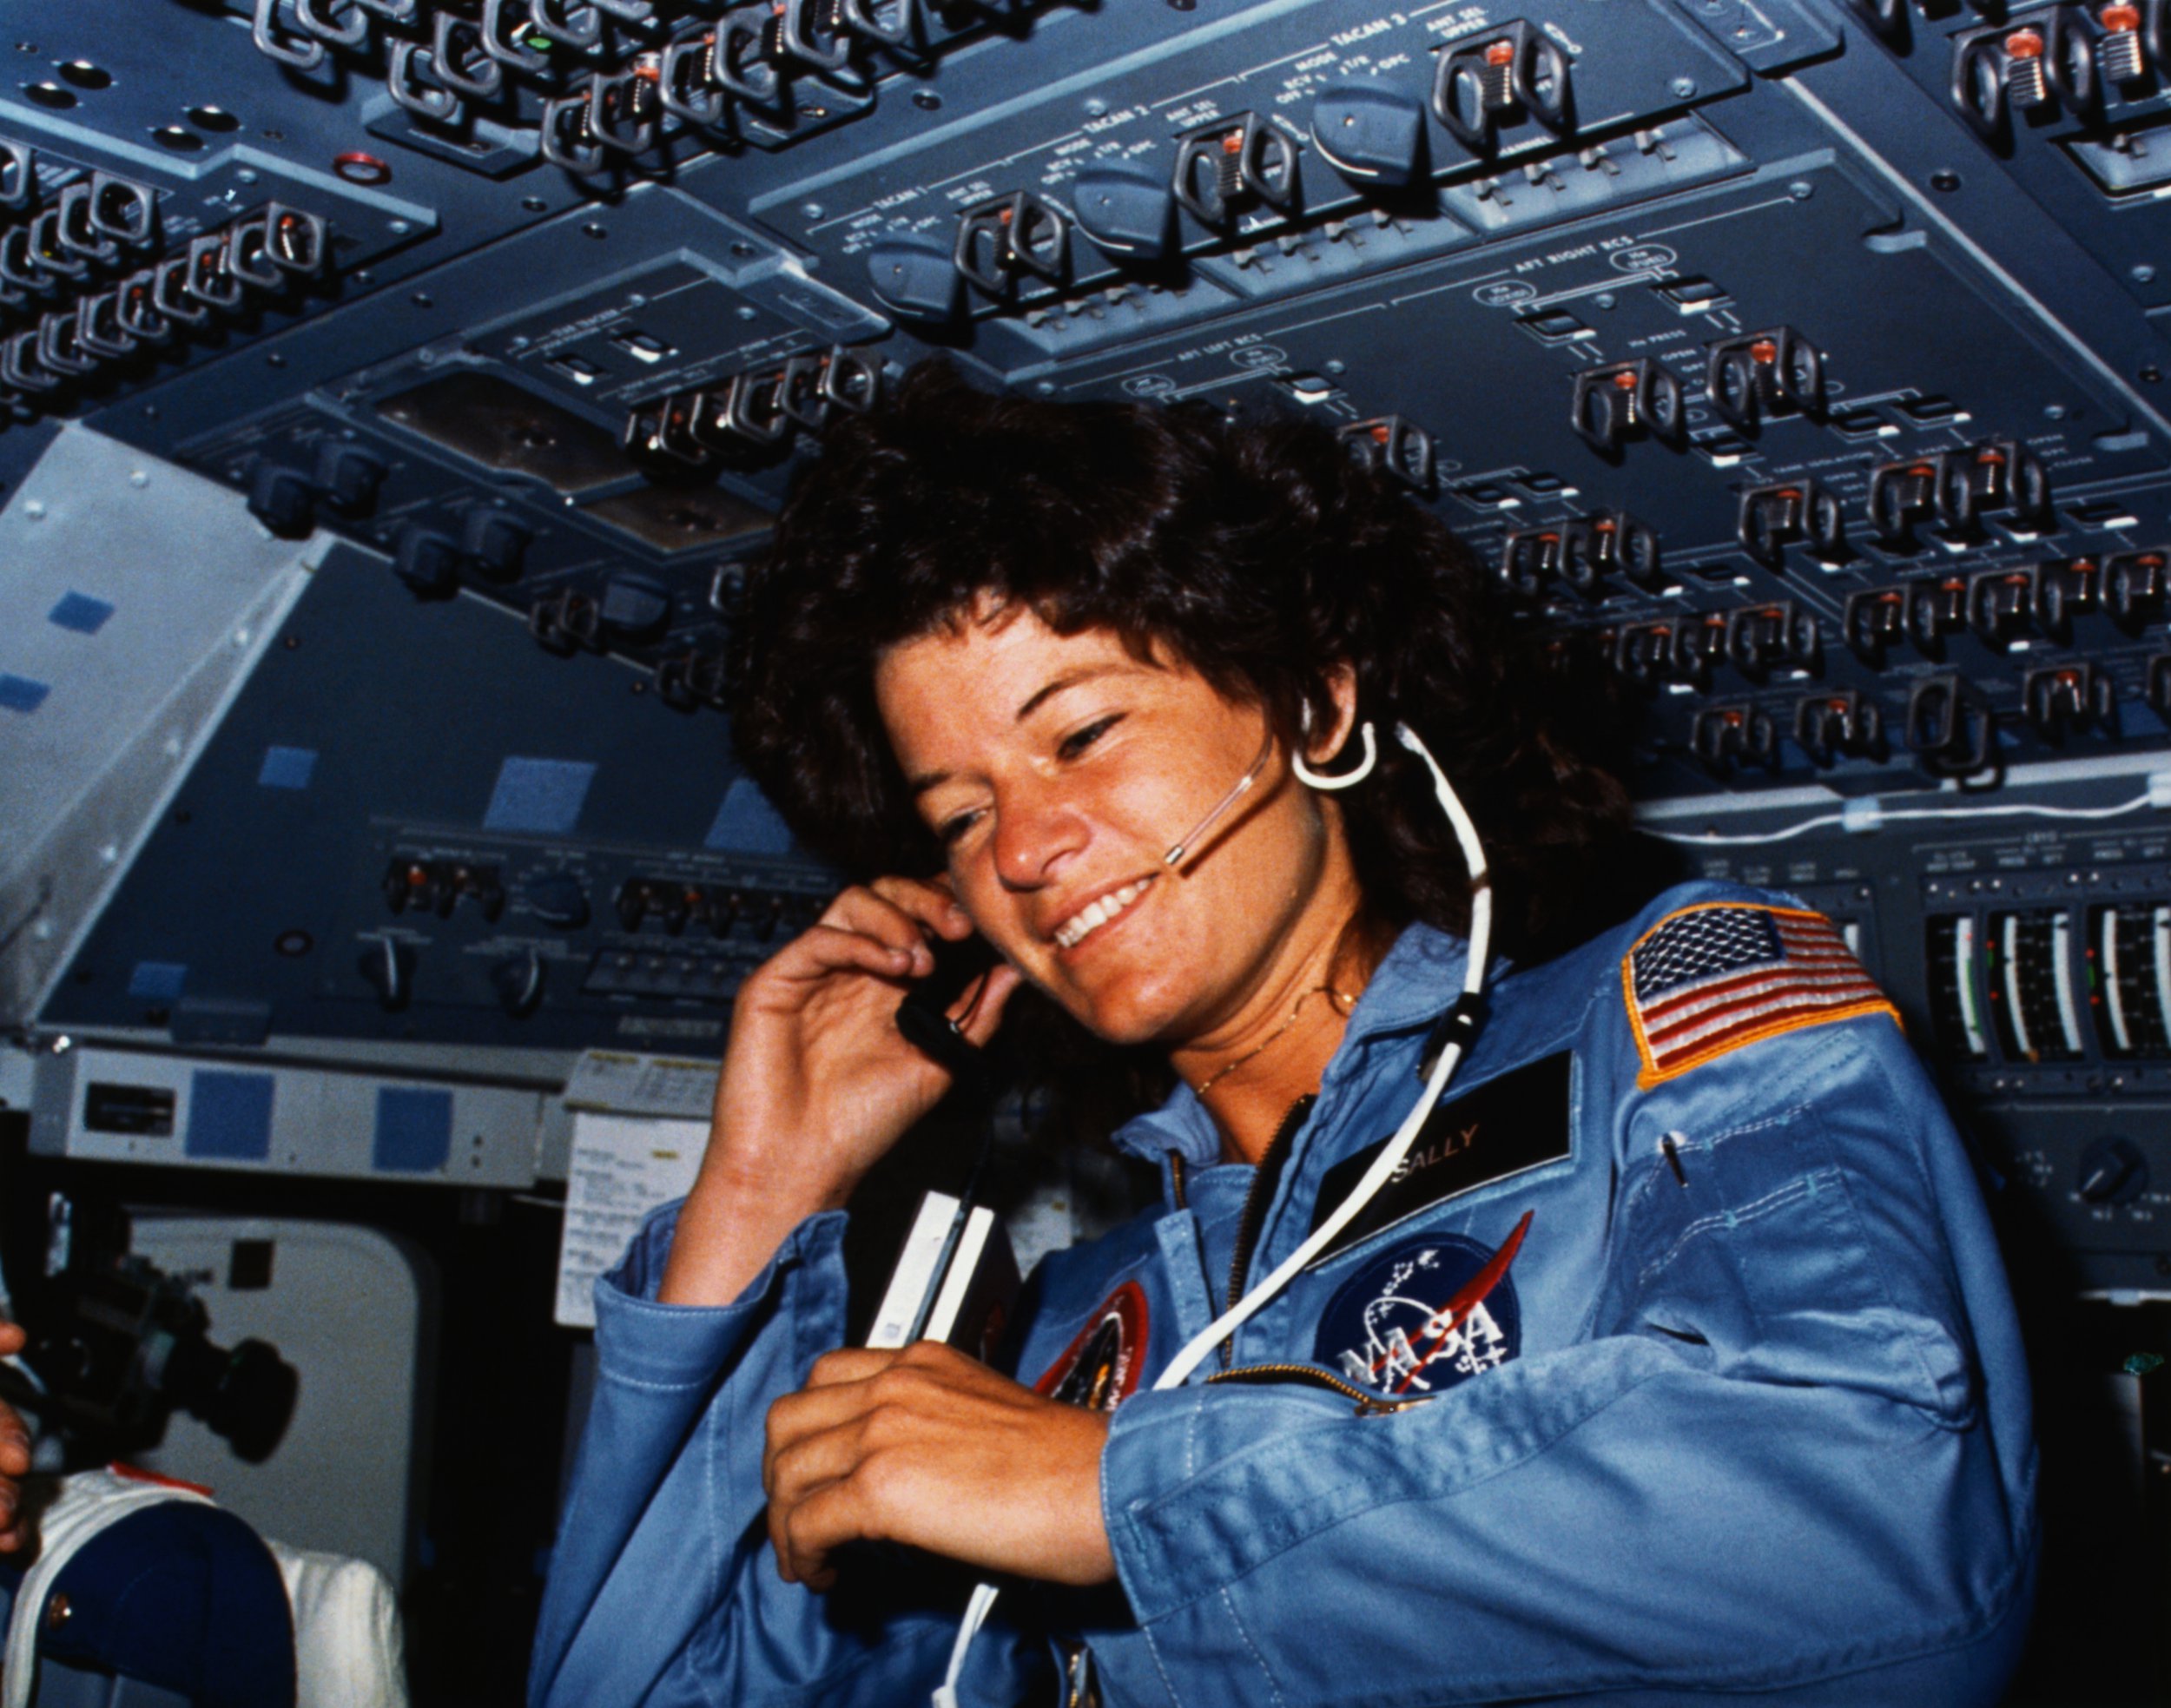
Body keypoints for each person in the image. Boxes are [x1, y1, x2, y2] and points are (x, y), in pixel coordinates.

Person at [530, 365, 2036, 1706]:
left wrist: (1116, 1498)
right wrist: (756, 1201)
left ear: (1318, 708)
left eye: (1081, 734)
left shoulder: (1670, 1013)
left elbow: (1884, 1526)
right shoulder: (1055, 1338)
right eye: (963, 814)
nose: (1029, 847)